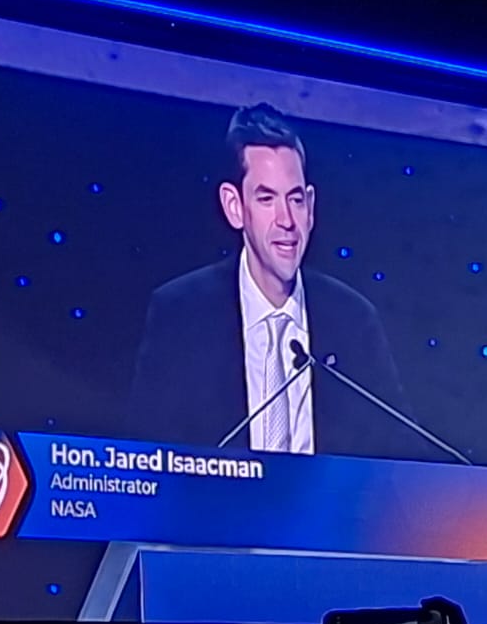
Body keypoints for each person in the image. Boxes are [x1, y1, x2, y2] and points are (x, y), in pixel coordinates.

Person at [129, 103, 417, 458]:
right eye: (266, 199)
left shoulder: (353, 319)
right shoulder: (182, 313)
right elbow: (149, 457)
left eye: (295, 200)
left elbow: (399, 454)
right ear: (235, 207)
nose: (287, 221)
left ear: (310, 207)